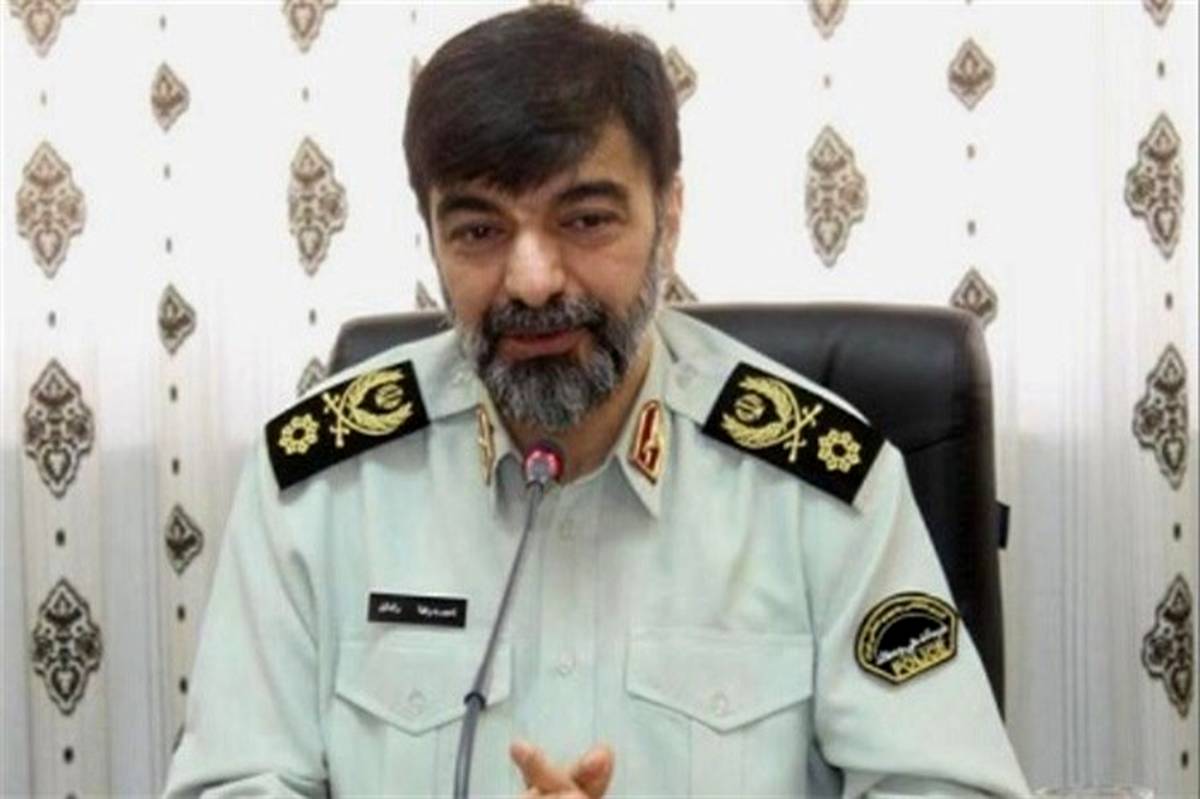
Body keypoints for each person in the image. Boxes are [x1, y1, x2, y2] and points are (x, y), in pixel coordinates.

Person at [165, 6, 1030, 797]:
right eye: (479, 230)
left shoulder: (821, 483)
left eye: (585, 220)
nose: (533, 279)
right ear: (430, 237)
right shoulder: (319, 486)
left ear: (670, 217)